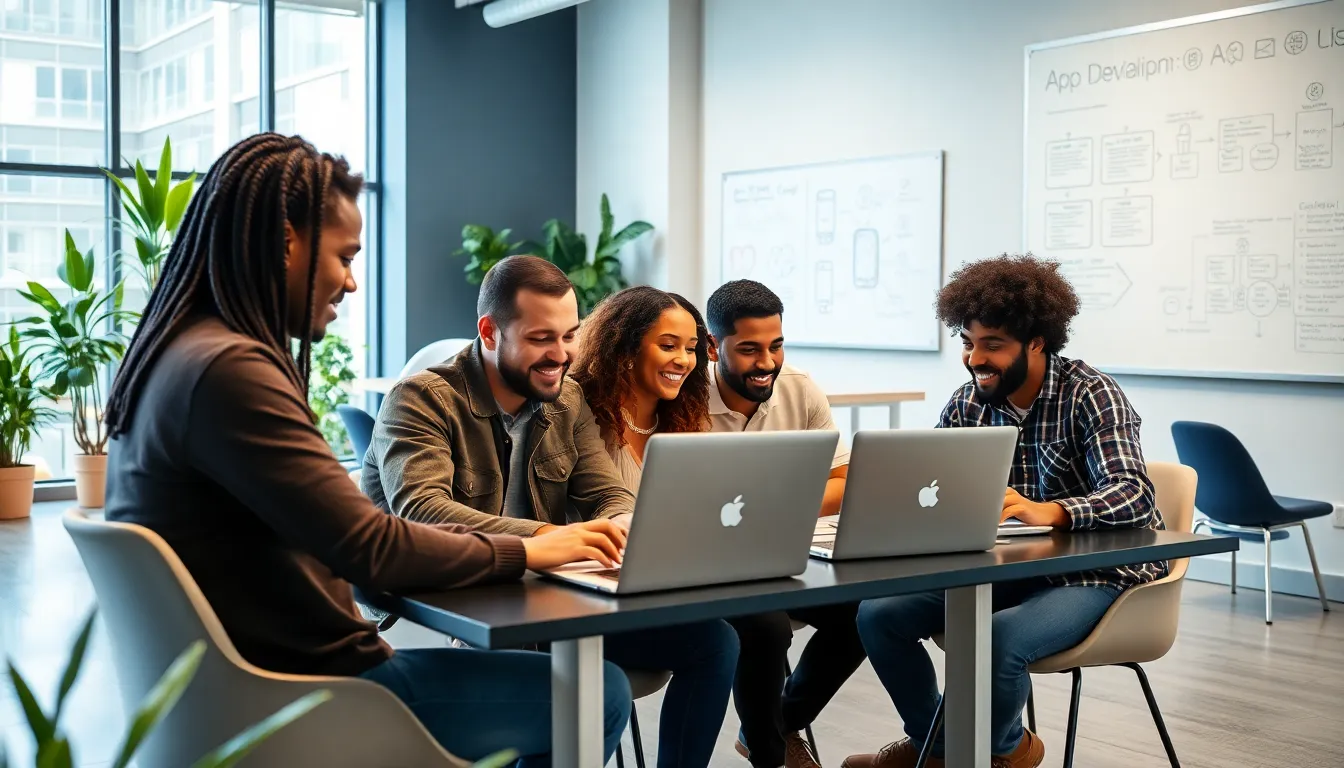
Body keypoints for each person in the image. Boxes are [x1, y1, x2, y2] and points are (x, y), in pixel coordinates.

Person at [103, 134, 632, 766]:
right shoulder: (230, 372)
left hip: (243, 683)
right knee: (597, 693)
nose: (353, 282)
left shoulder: (182, 354)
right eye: (345, 256)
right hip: (311, 693)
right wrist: (529, 547)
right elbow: (371, 547)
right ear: (287, 241)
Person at [364, 255, 739, 768]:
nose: (561, 355)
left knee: (714, 640)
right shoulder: (422, 400)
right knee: (579, 694)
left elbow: (608, 493)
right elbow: (423, 513)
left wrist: (624, 522)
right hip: (471, 594)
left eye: (569, 336)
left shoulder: (567, 399)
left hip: (548, 596)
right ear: (490, 332)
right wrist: (544, 539)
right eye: (542, 338)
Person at [843, 254, 1167, 768]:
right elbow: (931, 487)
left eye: (992, 345)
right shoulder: (966, 405)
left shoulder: (1091, 393)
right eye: (968, 344)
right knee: (880, 614)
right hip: (1005, 566)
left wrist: (1053, 511)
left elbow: (1134, 495)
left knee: (998, 639)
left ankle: (983, 753)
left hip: (1095, 574)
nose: (975, 359)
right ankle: (948, 747)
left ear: (1037, 341)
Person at [704, 280, 867, 768]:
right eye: (749, 349)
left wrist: (773, 511)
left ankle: (776, 724)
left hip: (783, 556)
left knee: (868, 613)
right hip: (708, 563)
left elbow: (843, 483)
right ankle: (770, 756)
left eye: (776, 345)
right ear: (714, 346)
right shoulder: (684, 398)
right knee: (768, 627)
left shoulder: (798, 387)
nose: (767, 362)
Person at [570, 285, 711, 492]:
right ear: (626, 350)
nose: (684, 360)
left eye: (690, 349)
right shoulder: (583, 414)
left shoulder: (685, 420)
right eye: (668, 346)